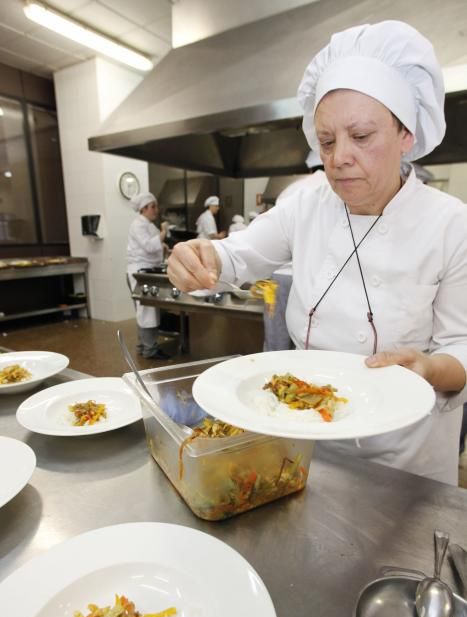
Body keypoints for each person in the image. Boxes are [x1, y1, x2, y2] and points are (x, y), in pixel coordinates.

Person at [167, 20, 467, 486]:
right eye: (326, 141)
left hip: (405, 464)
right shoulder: (307, 203)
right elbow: (235, 256)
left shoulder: (451, 224)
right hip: (306, 441)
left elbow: (462, 348)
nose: (338, 157)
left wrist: (428, 367)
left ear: (405, 135)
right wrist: (199, 257)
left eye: (361, 136)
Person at [263, 150, 328, 352]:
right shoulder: (336, 190)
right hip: (311, 279)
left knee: (275, 340)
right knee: (308, 343)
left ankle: (272, 379)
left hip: (275, 280)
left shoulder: (291, 189)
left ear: (309, 167)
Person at [127, 192, 169, 360]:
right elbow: (149, 246)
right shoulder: (138, 225)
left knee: (144, 311)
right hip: (139, 272)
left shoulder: (148, 225)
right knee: (146, 312)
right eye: (153, 207)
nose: (156, 210)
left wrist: (164, 246)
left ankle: (143, 346)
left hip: (147, 271)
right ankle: (149, 350)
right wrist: (163, 232)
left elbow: (154, 246)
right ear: (143, 209)